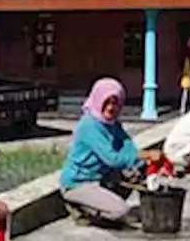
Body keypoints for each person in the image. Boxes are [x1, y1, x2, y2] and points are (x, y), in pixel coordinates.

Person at [61, 78, 160, 226]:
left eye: (115, 103)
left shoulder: (113, 125)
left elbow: (127, 146)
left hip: (101, 178)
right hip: (80, 183)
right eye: (106, 102)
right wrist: (144, 154)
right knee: (121, 211)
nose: (110, 108)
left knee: (134, 172)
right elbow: (112, 159)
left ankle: (101, 203)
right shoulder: (89, 126)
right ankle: (83, 209)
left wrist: (143, 163)